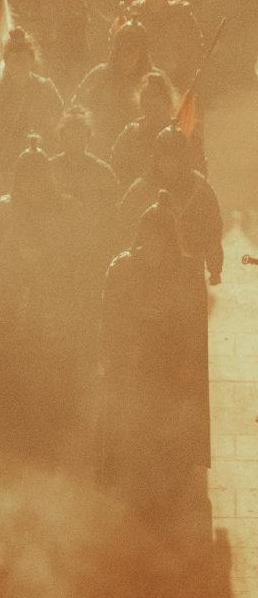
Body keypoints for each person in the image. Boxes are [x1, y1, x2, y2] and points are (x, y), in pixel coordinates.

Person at [0, 135, 87, 454]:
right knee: (11, 363)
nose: (32, 186)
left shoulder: (66, 210)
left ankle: (49, 419)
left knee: (47, 362)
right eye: (26, 179)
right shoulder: (2, 211)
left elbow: (78, 258)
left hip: (50, 297)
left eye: (37, 178)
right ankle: (11, 419)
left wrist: (49, 268)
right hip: (10, 298)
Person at [100, 189, 211, 485]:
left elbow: (193, 323)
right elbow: (110, 313)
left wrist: (167, 316)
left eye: (160, 239)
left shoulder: (185, 272)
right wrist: (136, 313)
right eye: (149, 238)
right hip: (133, 358)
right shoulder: (122, 267)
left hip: (168, 360)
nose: (154, 246)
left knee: (165, 422)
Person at [118, 123, 223, 285]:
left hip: (189, 269)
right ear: (156, 159)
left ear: (184, 160)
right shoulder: (142, 188)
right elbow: (124, 225)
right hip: (149, 273)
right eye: (163, 159)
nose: (169, 165)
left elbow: (213, 229)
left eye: (174, 159)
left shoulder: (200, 188)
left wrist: (215, 267)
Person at [0, 26, 64, 184]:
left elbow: (59, 127)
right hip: (0, 166)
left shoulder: (45, 89)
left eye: (23, 59)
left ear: (31, 60)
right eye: (14, 59)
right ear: (6, 61)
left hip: (38, 164)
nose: (19, 64)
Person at [49, 106, 118, 271]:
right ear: (62, 137)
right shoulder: (49, 169)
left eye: (80, 136)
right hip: (55, 248)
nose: (75, 142)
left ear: (88, 137)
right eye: (70, 137)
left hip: (92, 248)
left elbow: (112, 214)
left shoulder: (102, 172)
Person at [73, 18, 153, 157]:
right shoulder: (100, 75)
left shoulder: (153, 80)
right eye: (123, 48)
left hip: (140, 150)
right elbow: (77, 108)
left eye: (133, 49)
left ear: (142, 52)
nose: (127, 54)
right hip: (101, 147)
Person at [126, 0, 204, 93]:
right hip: (140, 83)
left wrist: (185, 81)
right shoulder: (133, 15)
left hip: (176, 82)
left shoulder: (182, 15)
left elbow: (194, 51)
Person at [109, 68, 186, 190]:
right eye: (146, 95)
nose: (150, 101)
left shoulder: (180, 133)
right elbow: (116, 167)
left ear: (167, 99)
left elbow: (197, 170)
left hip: (175, 194)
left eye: (155, 95)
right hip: (139, 194)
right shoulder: (131, 133)